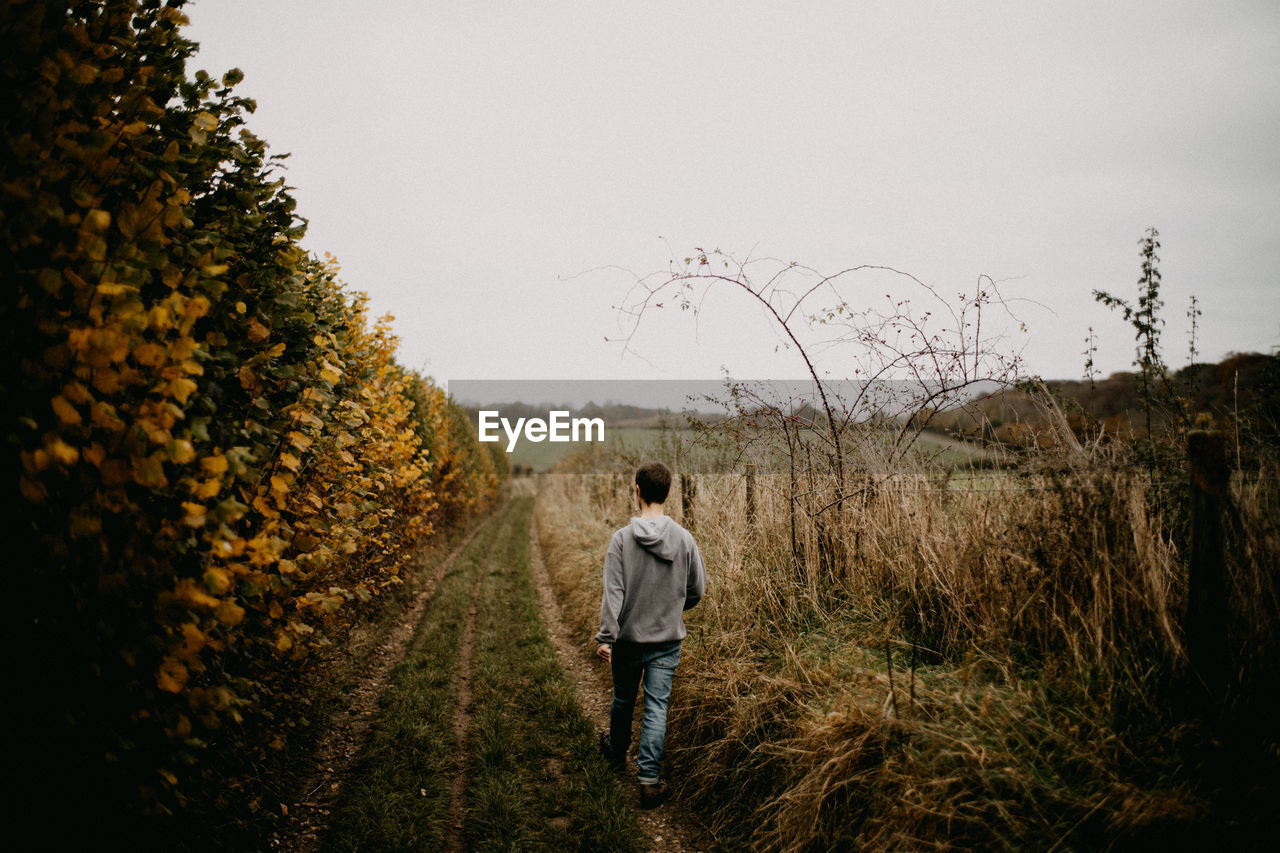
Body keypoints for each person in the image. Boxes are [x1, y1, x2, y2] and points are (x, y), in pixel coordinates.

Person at [596, 461, 707, 808]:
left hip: (628, 640)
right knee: (657, 707)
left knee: (624, 699)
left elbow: (613, 592)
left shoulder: (621, 540)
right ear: (669, 492)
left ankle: (616, 752)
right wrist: (673, 609)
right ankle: (648, 780)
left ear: (637, 490)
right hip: (667, 641)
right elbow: (697, 589)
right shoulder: (685, 539)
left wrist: (606, 636)